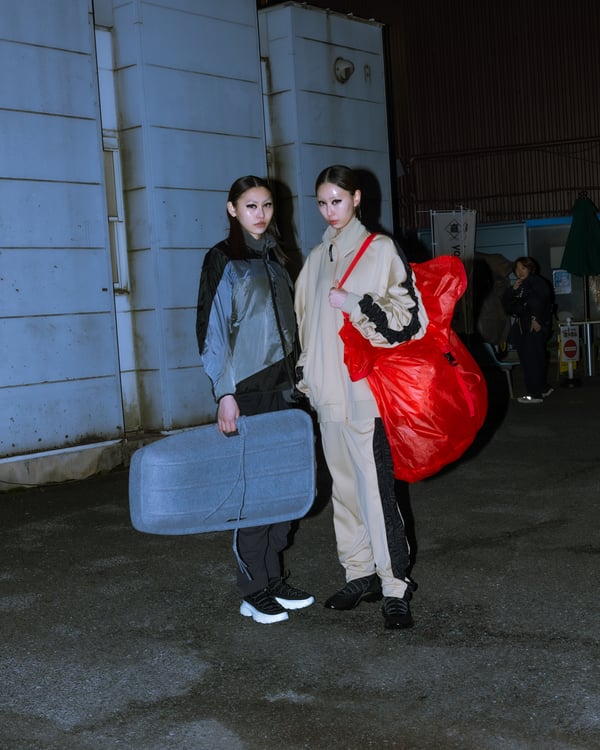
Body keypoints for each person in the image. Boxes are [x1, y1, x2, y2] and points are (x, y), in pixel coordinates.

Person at [293, 165, 429, 630]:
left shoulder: (380, 249)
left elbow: (409, 322)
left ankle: (394, 586)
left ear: (356, 199)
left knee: (375, 493)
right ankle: (359, 573)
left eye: (337, 200)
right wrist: (307, 379)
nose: (329, 210)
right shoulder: (315, 258)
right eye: (322, 203)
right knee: (345, 492)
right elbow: (305, 327)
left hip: (367, 395)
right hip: (327, 396)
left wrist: (354, 303)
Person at [195, 175, 313, 624]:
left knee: (286, 490)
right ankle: (252, 589)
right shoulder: (223, 259)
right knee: (255, 493)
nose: (260, 214)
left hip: (288, 391)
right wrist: (225, 393)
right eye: (250, 206)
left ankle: (274, 578)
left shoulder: (278, 258)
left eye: (266, 205)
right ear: (232, 210)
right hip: (249, 392)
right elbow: (212, 332)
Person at [502, 256, 554, 404]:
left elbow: (541, 301)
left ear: (530, 268)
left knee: (531, 360)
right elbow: (507, 305)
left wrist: (536, 319)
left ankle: (535, 394)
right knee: (535, 358)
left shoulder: (536, 281)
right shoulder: (521, 284)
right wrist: (513, 290)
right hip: (524, 326)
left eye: (523, 268)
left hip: (531, 325)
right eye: (517, 269)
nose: (519, 272)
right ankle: (543, 389)